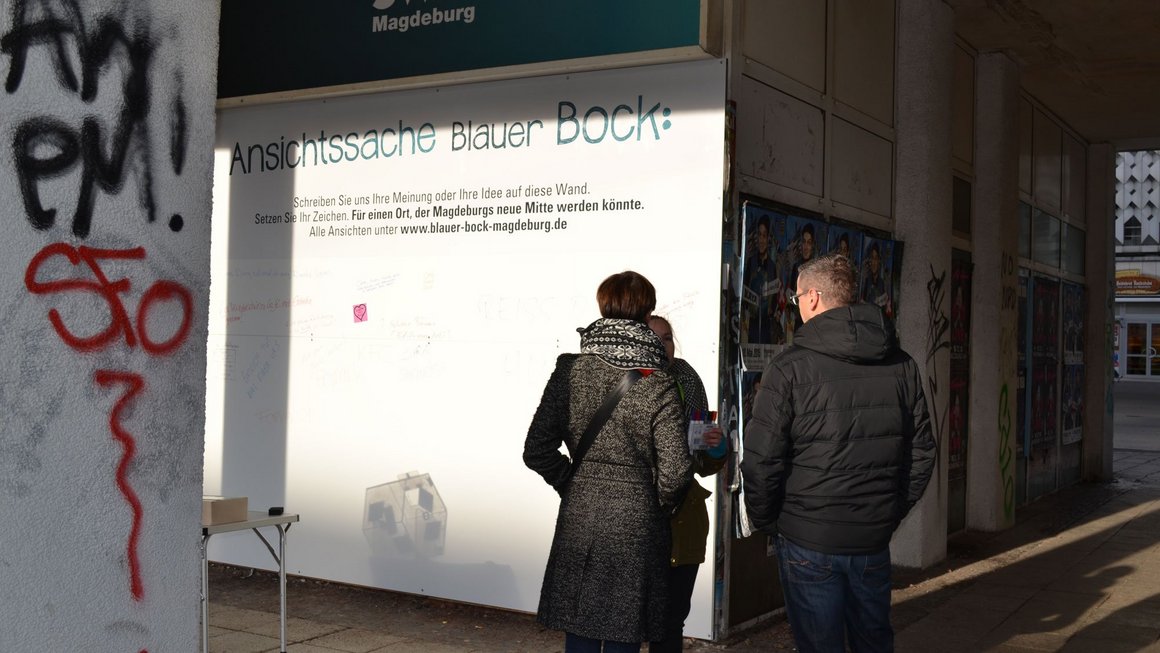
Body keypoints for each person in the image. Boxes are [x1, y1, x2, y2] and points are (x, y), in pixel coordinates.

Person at [741, 254, 937, 653]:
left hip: (807, 538)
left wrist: (769, 521)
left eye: (795, 298)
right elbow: (922, 453)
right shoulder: (902, 365)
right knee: (873, 642)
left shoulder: (789, 368)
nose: (795, 307)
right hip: (870, 540)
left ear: (812, 298)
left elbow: (761, 460)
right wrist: (888, 512)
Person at [524, 271, 693, 653]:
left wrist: (571, 482)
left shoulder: (569, 370)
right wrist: (658, 505)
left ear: (603, 306)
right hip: (637, 523)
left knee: (580, 625)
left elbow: (536, 449)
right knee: (623, 630)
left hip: (580, 515)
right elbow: (677, 470)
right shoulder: (657, 381)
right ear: (646, 312)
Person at [647, 315, 726, 653]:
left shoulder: (686, 378)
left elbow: (704, 463)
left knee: (672, 617)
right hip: (637, 518)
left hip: (683, 520)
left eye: (667, 338)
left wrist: (716, 446)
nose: (662, 345)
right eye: (654, 337)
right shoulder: (624, 382)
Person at [743, 214, 782, 344]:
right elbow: (744, 289)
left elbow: (777, 296)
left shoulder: (772, 266)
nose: (761, 239)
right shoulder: (751, 262)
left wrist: (773, 309)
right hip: (753, 322)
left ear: (768, 238)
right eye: (759, 235)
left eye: (764, 235)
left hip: (766, 324)